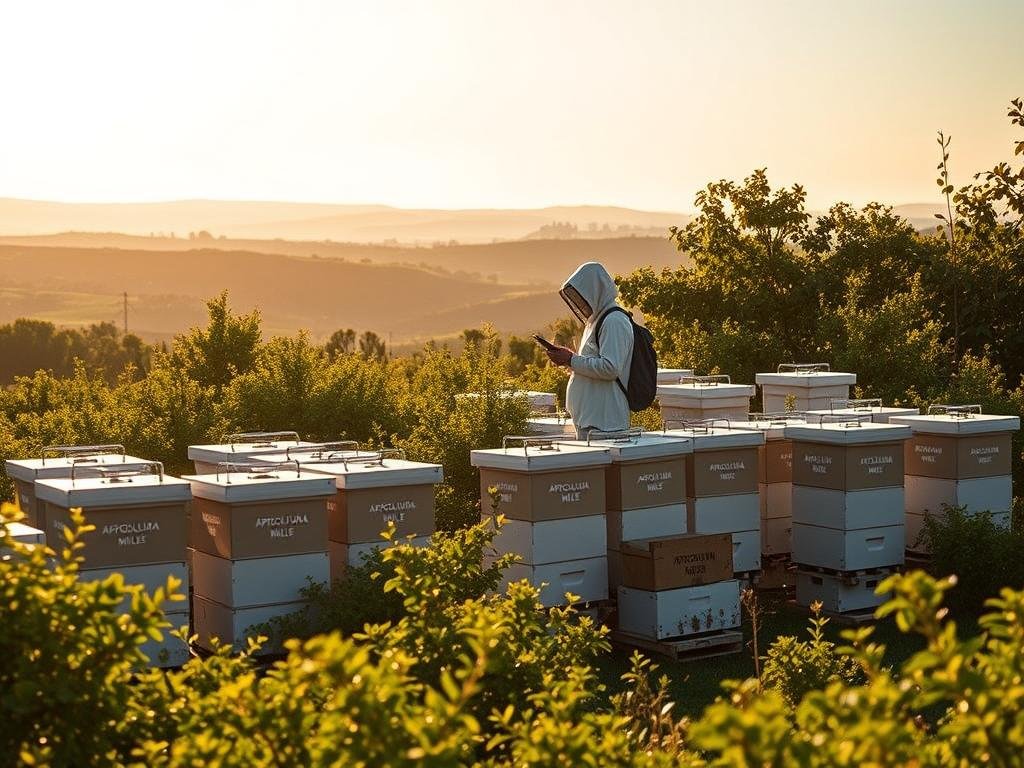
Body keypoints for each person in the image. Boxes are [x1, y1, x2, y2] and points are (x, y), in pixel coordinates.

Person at [545, 262, 633, 439]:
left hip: (605, 423)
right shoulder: (596, 320)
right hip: (592, 421)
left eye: (583, 296)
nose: (581, 302)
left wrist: (570, 359)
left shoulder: (614, 321)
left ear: (595, 290)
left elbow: (611, 368)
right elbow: (590, 364)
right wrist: (568, 360)